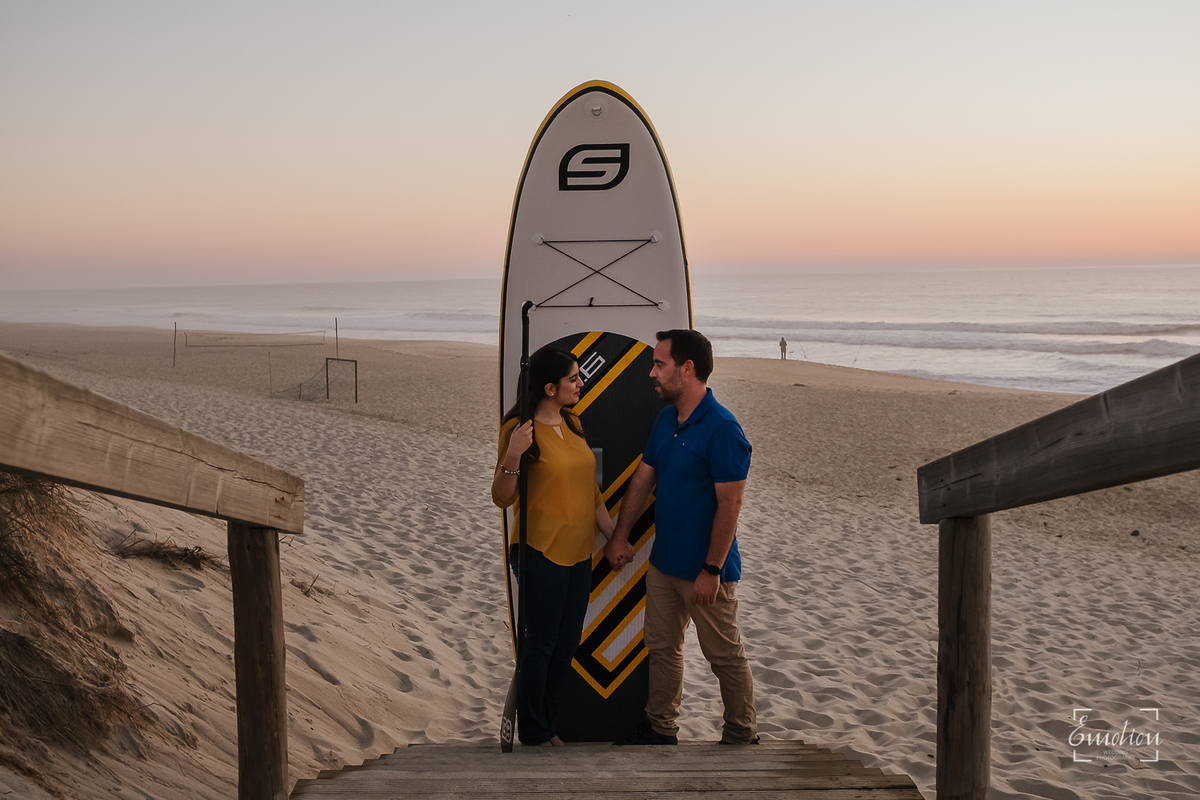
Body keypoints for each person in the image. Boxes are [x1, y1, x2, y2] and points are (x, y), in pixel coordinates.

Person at [607, 329, 757, 746]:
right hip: (664, 564)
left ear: (687, 368)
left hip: (705, 571)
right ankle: (661, 728)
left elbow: (730, 505)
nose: (652, 373)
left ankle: (741, 734)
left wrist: (711, 569)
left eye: (660, 364)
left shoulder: (723, 428)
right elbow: (643, 480)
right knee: (662, 648)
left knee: (723, 656)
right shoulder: (666, 419)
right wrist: (620, 536)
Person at [491, 346, 615, 747]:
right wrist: (513, 453)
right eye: (573, 378)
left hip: (579, 551)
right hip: (539, 550)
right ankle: (535, 731)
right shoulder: (519, 430)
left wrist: (613, 535)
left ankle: (547, 724)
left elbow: (590, 490)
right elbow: (502, 496)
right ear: (549, 387)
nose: (581, 383)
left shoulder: (573, 423)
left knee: (566, 644)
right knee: (542, 643)